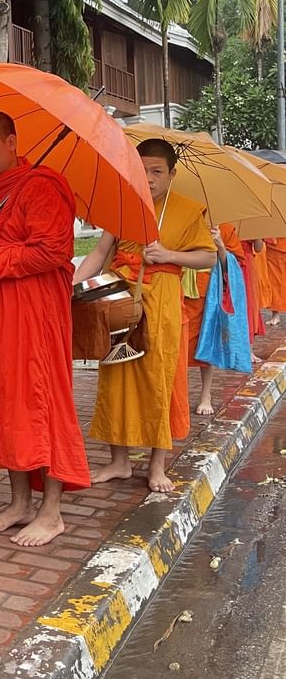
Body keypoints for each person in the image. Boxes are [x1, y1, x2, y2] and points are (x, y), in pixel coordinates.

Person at [0, 111, 91, 548]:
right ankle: (19, 502)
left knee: (40, 401)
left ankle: (51, 512)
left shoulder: (42, 185)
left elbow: (53, 252)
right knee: (7, 400)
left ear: (11, 142)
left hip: (35, 313)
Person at [77, 139, 216, 492]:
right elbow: (100, 252)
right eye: (142, 171)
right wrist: (72, 285)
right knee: (116, 375)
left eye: (157, 172)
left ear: (172, 173)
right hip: (121, 300)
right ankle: (119, 461)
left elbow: (208, 257)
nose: (149, 179)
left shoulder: (187, 210)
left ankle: (157, 465)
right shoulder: (123, 206)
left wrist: (170, 254)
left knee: (160, 382)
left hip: (163, 304)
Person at [184, 223, 244, 416]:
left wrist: (220, 245)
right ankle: (177, 395)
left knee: (207, 343)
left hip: (207, 292)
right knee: (175, 347)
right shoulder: (180, 220)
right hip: (176, 288)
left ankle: (205, 395)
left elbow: (238, 264)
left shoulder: (223, 227)